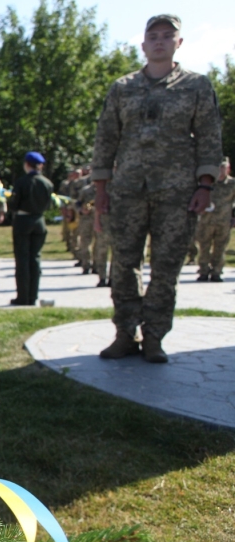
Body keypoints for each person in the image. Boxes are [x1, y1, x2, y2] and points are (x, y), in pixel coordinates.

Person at [92, 14, 223, 363]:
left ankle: (154, 336)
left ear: (178, 43)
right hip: (128, 191)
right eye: (154, 36)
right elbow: (106, 139)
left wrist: (205, 185)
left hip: (177, 193)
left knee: (166, 268)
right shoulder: (123, 87)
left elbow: (210, 137)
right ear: (143, 44)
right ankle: (125, 332)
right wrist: (101, 190)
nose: (160, 41)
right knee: (123, 264)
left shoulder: (196, 86)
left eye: (168, 36)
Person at [9, 152, 53, 306]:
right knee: (35, 259)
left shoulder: (22, 182)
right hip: (39, 220)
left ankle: (23, 296)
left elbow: (14, 204)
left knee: (22, 259)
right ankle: (33, 295)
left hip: (23, 220)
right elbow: (48, 204)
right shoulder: (47, 183)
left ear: (27, 164)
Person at [196, 157, 233, 282]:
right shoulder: (207, 185)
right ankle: (203, 271)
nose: (221, 170)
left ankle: (217, 272)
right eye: (219, 167)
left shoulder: (232, 184)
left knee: (220, 248)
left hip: (223, 222)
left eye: (224, 167)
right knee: (204, 247)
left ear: (228, 168)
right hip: (206, 221)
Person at [58, 168, 80, 253]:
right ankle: (69, 245)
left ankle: (75, 247)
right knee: (67, 228)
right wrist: (63, 208)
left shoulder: (82, 183)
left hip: (78, 208)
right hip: (68, 208)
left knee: (77, 230)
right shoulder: (66, 184)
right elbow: (62, 196)